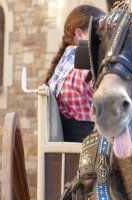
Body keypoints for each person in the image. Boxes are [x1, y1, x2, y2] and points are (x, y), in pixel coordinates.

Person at [45, 5, 105, 142]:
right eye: (99, 33)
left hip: (74, 142)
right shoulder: (81, 68)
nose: (103, 39)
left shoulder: (63, 67)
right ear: (79, 35)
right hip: (92, 147)